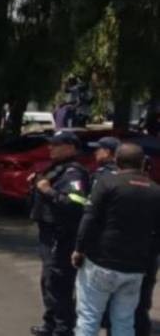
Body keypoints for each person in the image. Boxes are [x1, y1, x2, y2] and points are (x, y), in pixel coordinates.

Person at [73, 143, 160, 336]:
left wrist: (79, 249)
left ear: (117, 161)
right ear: (142, 162)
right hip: (135, 267)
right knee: (124, 320)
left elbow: (89, 219)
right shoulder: (156, 191)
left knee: (89, 317)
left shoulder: (107, 183)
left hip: (101, 262)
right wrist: (149, 260)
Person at [29, 131, 89, 336]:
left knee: (58, 282)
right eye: (51, 144)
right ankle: (51, 324)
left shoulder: (74, 172)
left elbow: (75, 204)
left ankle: (63, 329)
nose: (50, 148)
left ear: (71, 147)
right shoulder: (57, 168)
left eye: (56, 144)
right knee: (48, 281)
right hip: (48, 233)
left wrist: (47, 190)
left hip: (61, 235)